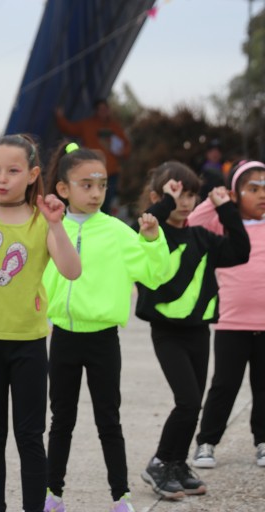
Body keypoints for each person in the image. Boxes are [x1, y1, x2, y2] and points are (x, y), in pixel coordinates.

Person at [0, 134, 81, 512]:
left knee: (29, 436)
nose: (2, 179)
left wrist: (56, 225)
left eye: (13, 171)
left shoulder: (43, 221)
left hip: (28, 342)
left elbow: (71, 270)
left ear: (32, 174)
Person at [41, 142, 170, 512]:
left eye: (102, 184)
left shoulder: (117, 231)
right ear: (63, 188)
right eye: (86, 185)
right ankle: (52, 494)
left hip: (103, 340)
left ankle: (120, 496)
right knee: (61, 421)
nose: (96, 193)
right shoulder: (50, 227)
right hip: (63, 336)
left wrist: (152, 240)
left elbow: (155, 274)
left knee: (108, 420)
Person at [135, 162, 249, 500]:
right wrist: (165, 203)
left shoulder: (200, 236)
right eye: (177, 195)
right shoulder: (153, 235)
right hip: (167, 332)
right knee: (186, 401)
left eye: (190, 195)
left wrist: (225, 209)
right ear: (157, 198)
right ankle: (159, 462)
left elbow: (240, 251)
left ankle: (177, 463)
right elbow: (146, 226)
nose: (185, 202)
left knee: (194, 403)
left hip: (198, 331)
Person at [188, 160, 265, 470]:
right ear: (235, 194)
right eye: (253, 189)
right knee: (224, 385)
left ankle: (263, 441)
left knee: (263, 387)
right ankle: (207, 442)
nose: (262, 195)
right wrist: (215, 202)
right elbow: (192, 223)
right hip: (232, 322)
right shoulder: (224, 226)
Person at [55, 99, 130, 215]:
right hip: (91, 172)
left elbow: (126, 146)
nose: (103, 112)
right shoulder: (87, 125)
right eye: (100, 109)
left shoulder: (114, 127)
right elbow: (69, 128)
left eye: (105, 109)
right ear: (96, 111)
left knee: (106, 203)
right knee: (89, 200)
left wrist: (122, 152)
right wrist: (59, 117)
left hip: (111, 173)